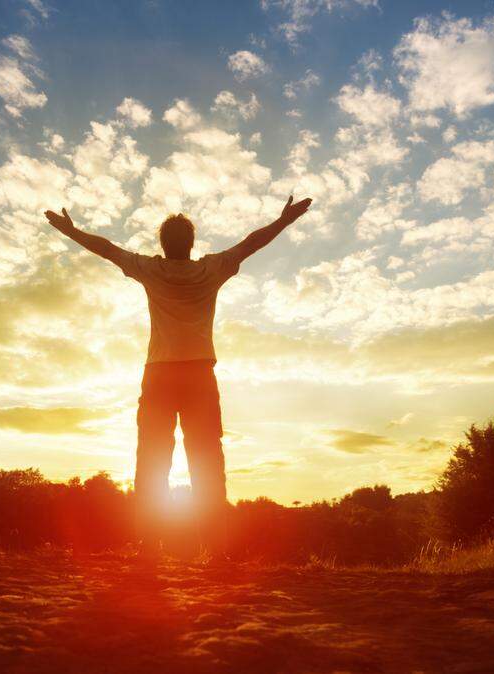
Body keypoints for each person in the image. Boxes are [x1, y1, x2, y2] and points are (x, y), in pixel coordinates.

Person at [44, 196, 313, 556]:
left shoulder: (150, 269)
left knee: (153, 456)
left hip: (158, 375)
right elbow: (251, 243)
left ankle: (150, 544)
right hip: (199, 374)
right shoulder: (212, 269)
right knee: (206, 459)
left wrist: (71, 231)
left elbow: (106, 248)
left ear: (162, 243)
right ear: (191, 243)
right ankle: (216, 547)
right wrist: (284, 221)